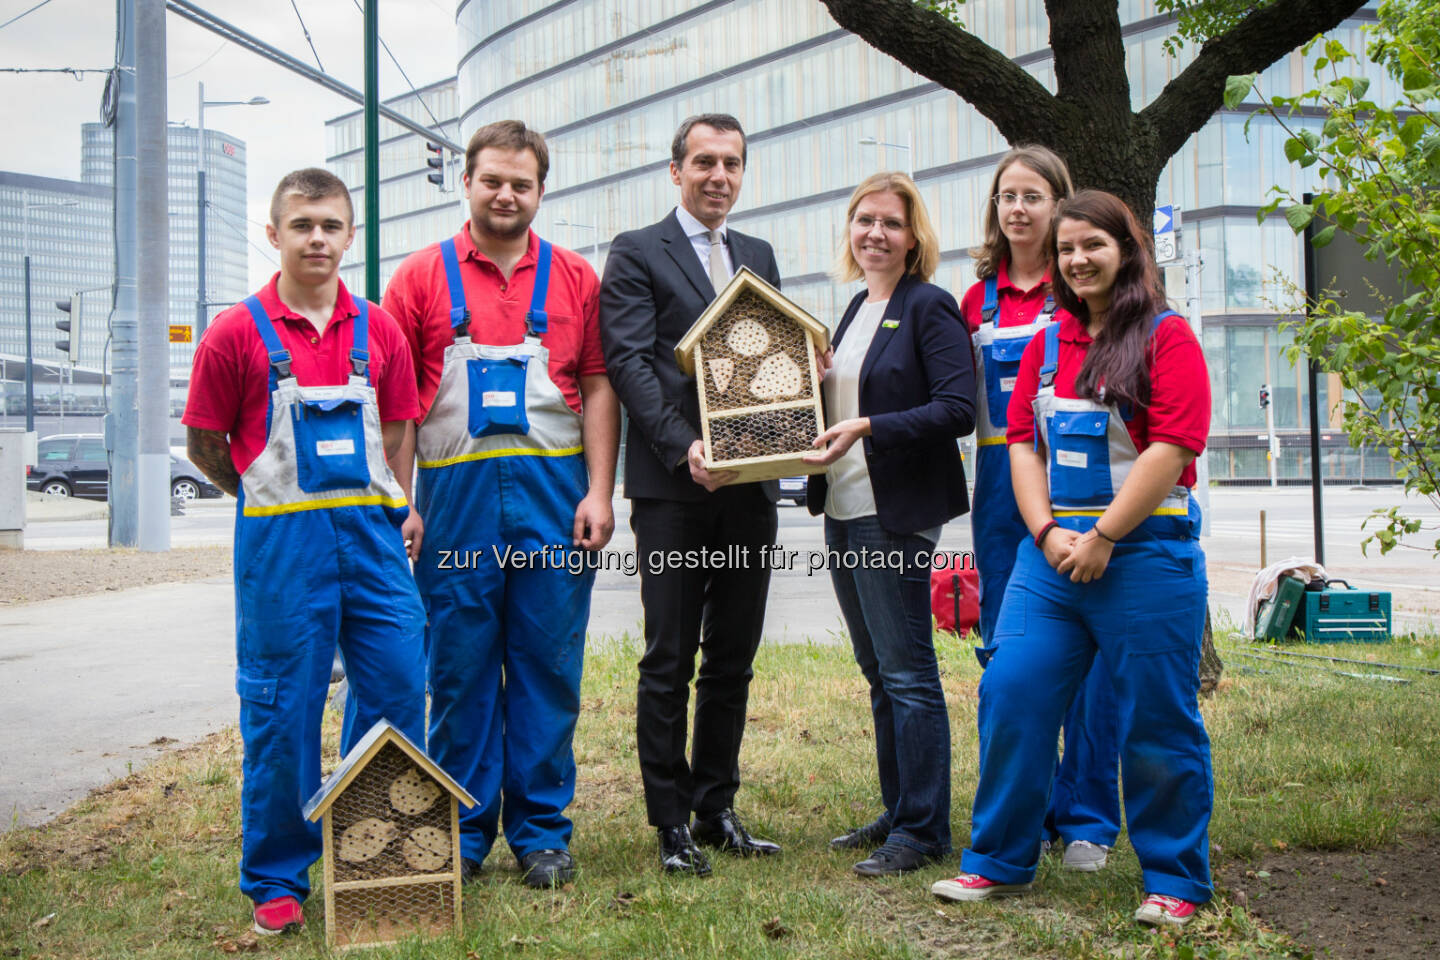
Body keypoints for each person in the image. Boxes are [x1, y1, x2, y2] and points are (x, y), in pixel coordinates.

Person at [932, 190, 1214, 930]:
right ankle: (997, 860)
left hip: (1144, 556)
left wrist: (1106, 536)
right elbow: (1020, 441)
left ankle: (1175, 878)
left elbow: (1173, 447)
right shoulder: (1048, 341)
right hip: (1052, 562)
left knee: (1157, 719)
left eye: (1093, 245)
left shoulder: (1166, 337)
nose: (1077, 260)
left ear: (1126, 250)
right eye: (1066, 250)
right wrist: (1048, 531)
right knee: (1013, 691)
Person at [183, 168, 426, 936]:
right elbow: (205, 445)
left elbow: (396, 431)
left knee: (396, 689)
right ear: (275, 234)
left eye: (330, 225)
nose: (317, 238)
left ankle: (372, 850)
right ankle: (279, 874)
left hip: (374, 542)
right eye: (302, 225)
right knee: (282, 708)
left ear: (350, 236)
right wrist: (263, 491)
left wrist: (399, 500)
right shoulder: (234, 333)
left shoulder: (379, 330)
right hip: (283, 547)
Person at [382, 120, 620, 889]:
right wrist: (402, 502)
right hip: (454, 502)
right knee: (458, 669)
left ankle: (542, 830)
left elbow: (597, 387)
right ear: (468, 182)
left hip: (554, 499)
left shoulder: (577, 277)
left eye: (522, 183)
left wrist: (598, 492)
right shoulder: (419, 278)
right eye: (493, 180)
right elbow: (399, 408)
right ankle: (462, 825)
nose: (506, 194)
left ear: (541, 190)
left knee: (548, 664)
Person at [600, 113, 783, 875]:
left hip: (750, 487)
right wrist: (684, 447)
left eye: (732, 164)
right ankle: (669, 823)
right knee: (670, 653)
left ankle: (717, 808)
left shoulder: (759, 254)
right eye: (704, 162)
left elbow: (773, 363)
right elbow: (630, 362)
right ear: (675, 171)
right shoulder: (637, 252)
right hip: (674, 488)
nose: (719, 176)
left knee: (733, 654)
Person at [802, 172, 975, 876]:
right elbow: (842, 401)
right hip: (842, 510)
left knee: (908, 675)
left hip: (893, 516)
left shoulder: (930, 306)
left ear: (914, 237)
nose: (875, 233)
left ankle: (924, 830)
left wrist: (869, 424)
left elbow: (957, 409)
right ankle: (900, 808)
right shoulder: (851, 311)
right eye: (863, 219)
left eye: (891, 223)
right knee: (879, 672)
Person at [961, 146, 1120, 873]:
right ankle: (1020, 812)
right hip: (1001, 478)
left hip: (1078, 480)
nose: (1017, 209)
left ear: (1061, 203)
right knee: (1010, 652)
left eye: (1032, 196)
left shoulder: (1086, 295)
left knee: (1087, 658)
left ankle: (1085, 817)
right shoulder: (975, 299)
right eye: (1006, 197)